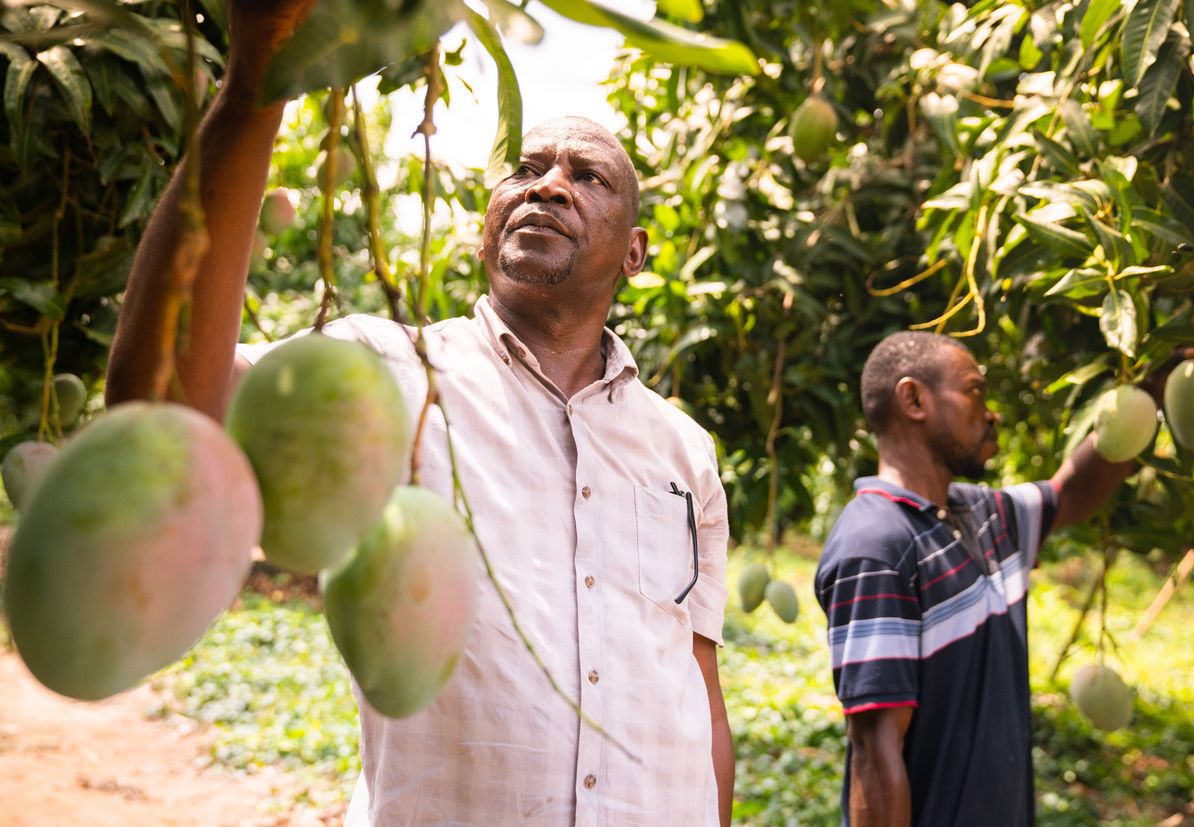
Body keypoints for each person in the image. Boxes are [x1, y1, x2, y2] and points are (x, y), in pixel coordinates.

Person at [105, 2, 734, 824]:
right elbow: (160, 407)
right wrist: (252, 90)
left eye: (588, 177)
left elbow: (696, 688)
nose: (549, 183)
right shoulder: (379, 370)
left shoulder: (683, 448)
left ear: (638, 252)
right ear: (483, 230)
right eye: (527, 169)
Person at [813, 330, 1141, 827]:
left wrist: (1148, 390)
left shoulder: (982, 513)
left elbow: (1071, 494)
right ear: (914, 399)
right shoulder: (877, 545)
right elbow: (875, 756)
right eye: (974, 390)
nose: (992, 412)